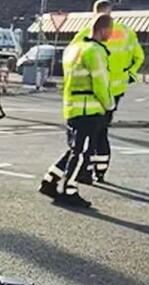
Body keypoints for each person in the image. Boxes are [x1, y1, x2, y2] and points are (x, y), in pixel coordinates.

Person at [39, 14, 114, 209]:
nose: (111, 34)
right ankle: (69, 189)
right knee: (82, 152)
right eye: (110, 30)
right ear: (104, 30)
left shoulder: (74, 49)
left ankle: (50, 180)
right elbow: (101, 83)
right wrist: (109, 105)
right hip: (89, 109)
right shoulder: (96, 51)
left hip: (72, 106)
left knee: (75, 149)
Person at [72, 0, 143, 182]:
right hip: (116, 89)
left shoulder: (87, 32)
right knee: (102, 129)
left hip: (94, 90)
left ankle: (85, 170)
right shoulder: (127, 32)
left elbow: (73, 56)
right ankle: (101, 169)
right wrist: (130, 76)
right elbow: (139, 57)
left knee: (90, 131)